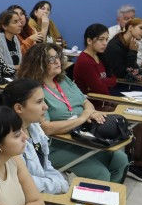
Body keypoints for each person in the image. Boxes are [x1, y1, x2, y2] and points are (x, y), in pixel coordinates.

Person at [0, 79, 104, 205]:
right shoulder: (9, 140)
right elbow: (24, 182)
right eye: (39, 102)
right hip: (24, 202)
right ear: (19, 108)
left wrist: (59, 183)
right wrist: (58, 185)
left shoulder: (34, 127)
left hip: (42, 194)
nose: (45, 107)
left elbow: (47, 166)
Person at [18, 43, 129, 182]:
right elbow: (45, 127)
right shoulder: (35, 90)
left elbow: (85, 101)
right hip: (55, 145)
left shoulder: (63, 80)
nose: (57, 61)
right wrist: (82, 118)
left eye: (57, 57)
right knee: (101, 173)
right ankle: (98, 194)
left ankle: (111, 194)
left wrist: (90, 112)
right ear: (37, 63)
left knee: (120, 159)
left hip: (82, 137)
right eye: (51, 59)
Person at [78, 23, 142, 182]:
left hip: (104, 102)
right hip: (93, 108)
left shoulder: (99, 57)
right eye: (101, 39)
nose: (105, 43)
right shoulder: (85, 61)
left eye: (106, 39)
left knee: (140, 119)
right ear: (89, 40)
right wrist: (106, 82)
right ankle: (140, 164)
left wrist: (105, 82)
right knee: (137, 122)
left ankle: (139, 162)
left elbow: (113, 79)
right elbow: (100, 89)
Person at [103, 17, 142, 157]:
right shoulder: (116, 45)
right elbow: (123, 73)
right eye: (141, 28)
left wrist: (134, 62)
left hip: (128, 85)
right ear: (130, 27)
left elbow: (134, 69)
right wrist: (133, 53)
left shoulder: (130, 43)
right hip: (117, 87)